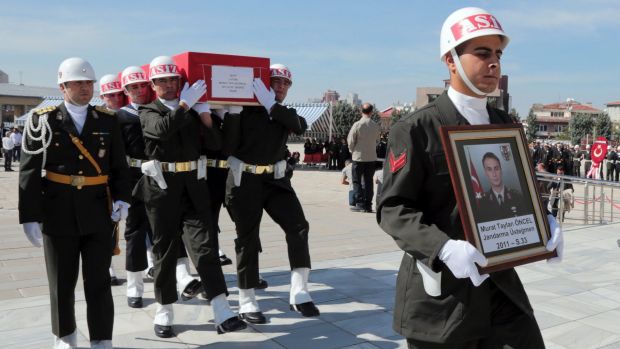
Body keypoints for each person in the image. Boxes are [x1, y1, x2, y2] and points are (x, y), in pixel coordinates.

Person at [377, 8, 564, 349]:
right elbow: (392, 208)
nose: (494, 63)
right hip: (443, 300)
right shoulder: (417, 129)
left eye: (498, 54)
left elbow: (515, 190)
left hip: (500, 289)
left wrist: (544, 222)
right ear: (450, 60)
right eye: (482, 53)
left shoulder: (503, 123)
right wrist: (443, 248)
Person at [19, 57, 131, 349]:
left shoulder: (107, 119)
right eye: (78, 83)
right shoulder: (42, 119)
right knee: (61, 284)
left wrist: (122, 198)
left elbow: (119, 165)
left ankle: (102, 340)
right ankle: (65, 338)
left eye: (89, 83)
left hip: (98, 212)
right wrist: (29, 215)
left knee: (99, 283)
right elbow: (30, 170)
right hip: (57, 212)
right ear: (63, 86)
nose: (85, 88)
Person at [135, 55, 246, 338]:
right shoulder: (148, 109)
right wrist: (186, 105)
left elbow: (216, 145)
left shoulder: (193, 110)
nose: (170, 85)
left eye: (174, 79)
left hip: (194, 187)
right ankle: (164, 309)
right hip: (162, 188)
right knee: (164, 251)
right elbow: (161, 130)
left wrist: (207, 117)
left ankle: (222, 310)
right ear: (154, 84)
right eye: (163, 81)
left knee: (205, 248)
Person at [224, 63, 319, 324]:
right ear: (263, 83)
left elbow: (300, 126)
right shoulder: (244, 111)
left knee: (299, 226)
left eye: (286, 83)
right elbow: (228, 146)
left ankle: (299, 291)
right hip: (245, 181)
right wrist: (232, 113)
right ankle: (246, 300)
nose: (280, 87)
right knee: (247, 238)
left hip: (275, 181)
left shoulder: (283, 112)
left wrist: (272, 106)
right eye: (275, 81)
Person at [100, 73, 125, 286]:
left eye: (119, 94)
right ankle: (108, 267)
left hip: (132, 176)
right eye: (110, 95)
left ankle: (151, 261)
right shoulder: (98, 119)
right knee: (107, 224)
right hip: (106, 179)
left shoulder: (132, 114)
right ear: (102, 96)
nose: (116, 98)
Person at [347, 103, 381, 212]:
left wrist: (352, 150)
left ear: (361, 111)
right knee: (368, 182)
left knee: (356, 181)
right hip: (371, 157)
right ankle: (368, 205)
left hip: (358, 157)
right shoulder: (375, 125)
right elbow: (377, 140)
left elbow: (351, 141)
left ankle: (360, 204)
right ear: (371, 112)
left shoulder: (357, 124)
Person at [478, 152, 525, 221]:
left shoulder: (517, 196)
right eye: (489, 169)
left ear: (501, 170)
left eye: (496, 168)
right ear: (485, 173)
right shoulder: (483, 202)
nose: (494, 174)